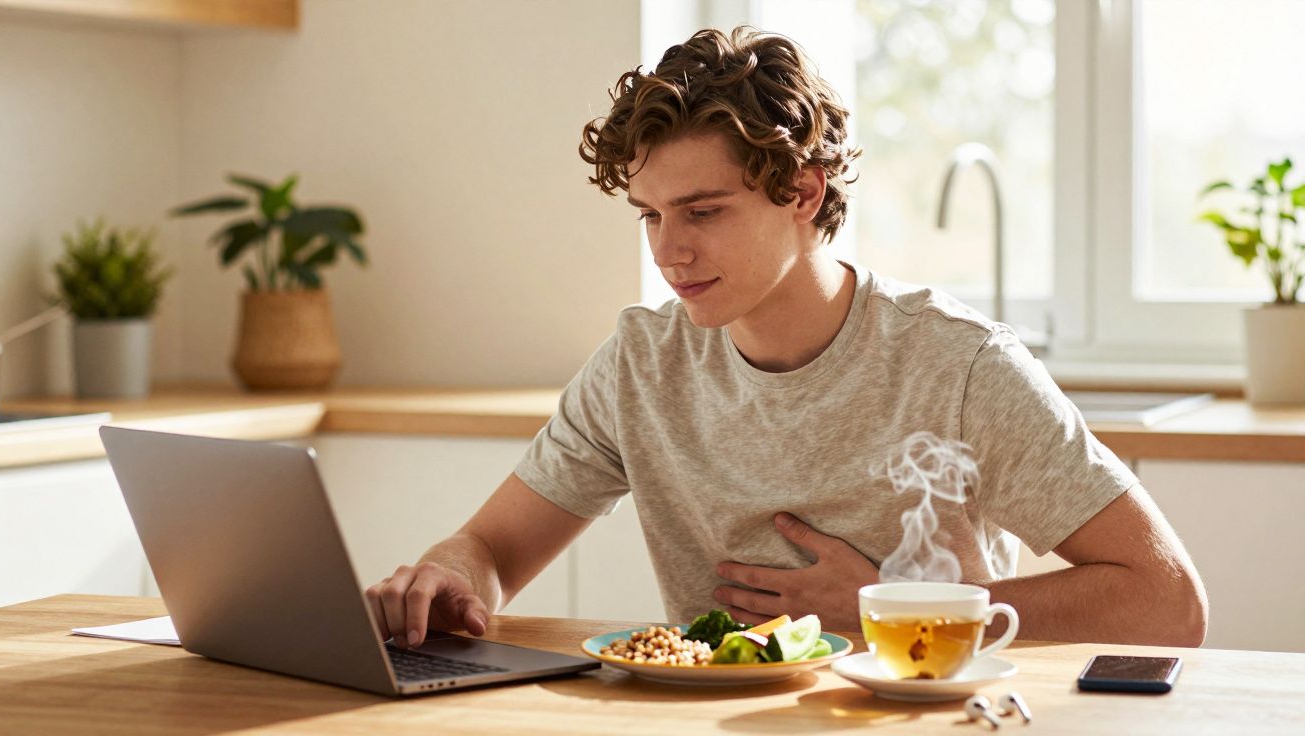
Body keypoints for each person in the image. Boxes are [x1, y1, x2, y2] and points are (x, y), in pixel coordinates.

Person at [366, 27, 1207, 649]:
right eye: (651, 216)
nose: (668, 251)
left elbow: (1168, 600)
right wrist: (447, 578)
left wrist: (900, 615)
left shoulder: (959, 366)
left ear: (803, 192)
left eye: (702, 212)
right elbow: (491, 550)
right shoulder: (642, 364)